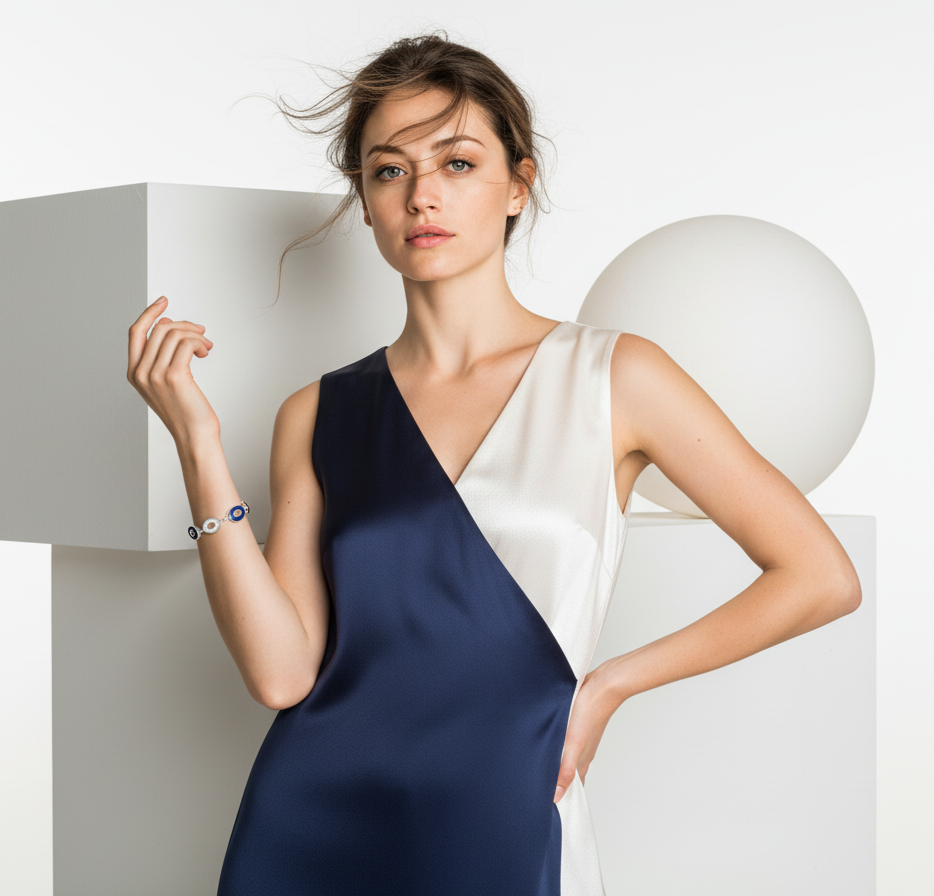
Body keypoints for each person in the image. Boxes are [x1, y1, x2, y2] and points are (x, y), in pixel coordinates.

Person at [126, 31, 861, 896]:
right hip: (316, 820)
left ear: (518, 184)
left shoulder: (615, 376)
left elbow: (819, 576)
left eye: (459, 163)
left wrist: (608, 685)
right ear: (363, 201)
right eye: (389, 169)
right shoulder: (318, 412)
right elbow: (281, 672)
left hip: (505, 806)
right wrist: (198, 446)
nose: (421, 195)